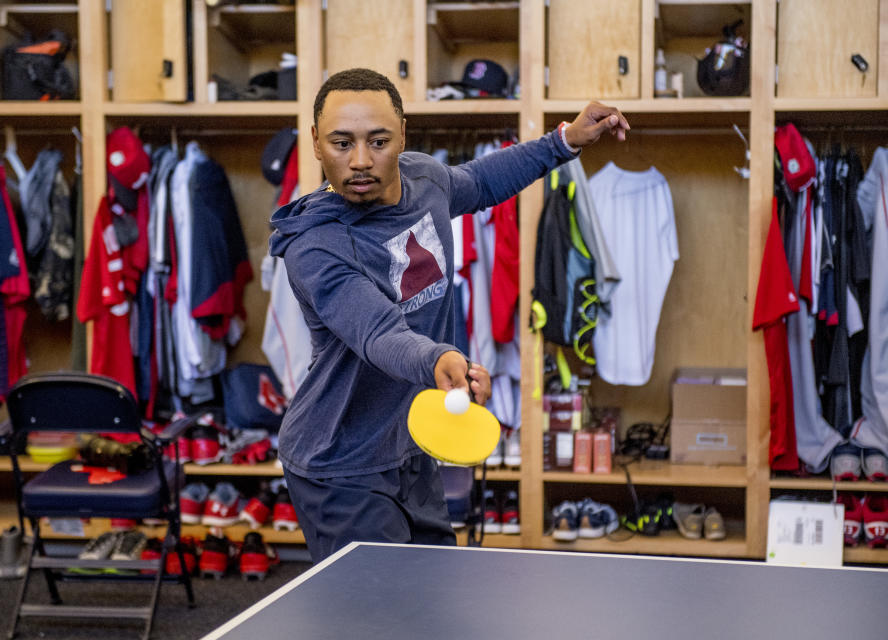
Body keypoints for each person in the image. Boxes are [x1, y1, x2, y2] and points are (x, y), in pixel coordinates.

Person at [269, 68, 629, 562]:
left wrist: (564, 140)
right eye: (341, 142)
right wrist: (439, 359)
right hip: (339, 460)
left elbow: (480, 182)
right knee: (377, 616)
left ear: (403, 135)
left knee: (433, 591)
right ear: (314, 142)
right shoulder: (315, 245)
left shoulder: (424, 179)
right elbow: (376, 329)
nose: (359, 161)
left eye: (378, 141)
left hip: (409, 440)